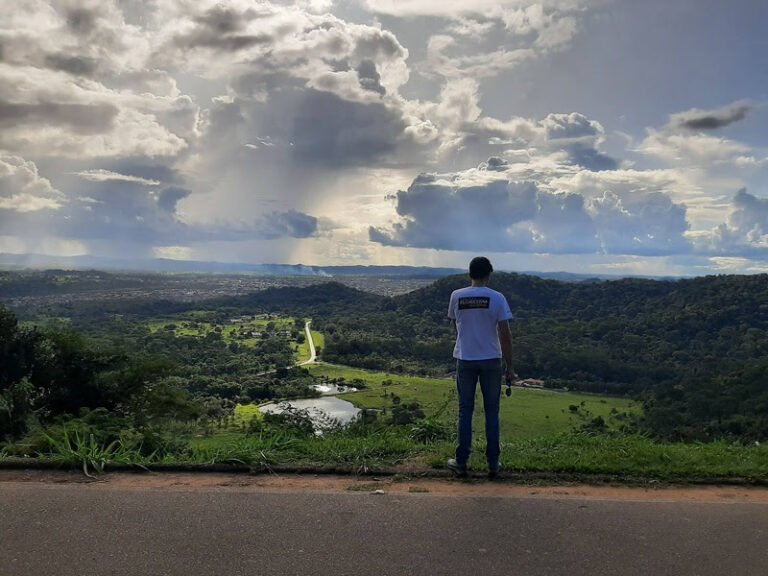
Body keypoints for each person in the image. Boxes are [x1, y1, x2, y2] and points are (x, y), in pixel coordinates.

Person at [446, 256, 516, 479]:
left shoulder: (456, 296)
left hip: (465, 359)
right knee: (492, 411)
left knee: (465, 411)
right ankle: (493, 463)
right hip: (491, 360)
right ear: (489, 274)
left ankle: (462, 461)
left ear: (470, 274)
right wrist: (510, 365)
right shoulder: (497, 298)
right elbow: (505, 334)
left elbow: (456, 327)